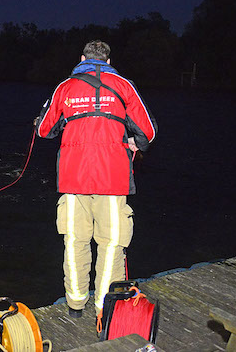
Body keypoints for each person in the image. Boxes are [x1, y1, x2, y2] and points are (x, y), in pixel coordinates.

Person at [35, 40, 157, 321]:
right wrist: (137, 144)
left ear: (81, 59)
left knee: (75, 241)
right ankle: (104, 309)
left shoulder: (64, 87)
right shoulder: (124, 85)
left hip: (73, 179)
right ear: (109, 62)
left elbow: (44, 129)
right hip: (113, 179)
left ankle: (75, 305)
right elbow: (148, 131)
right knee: (111, 243)